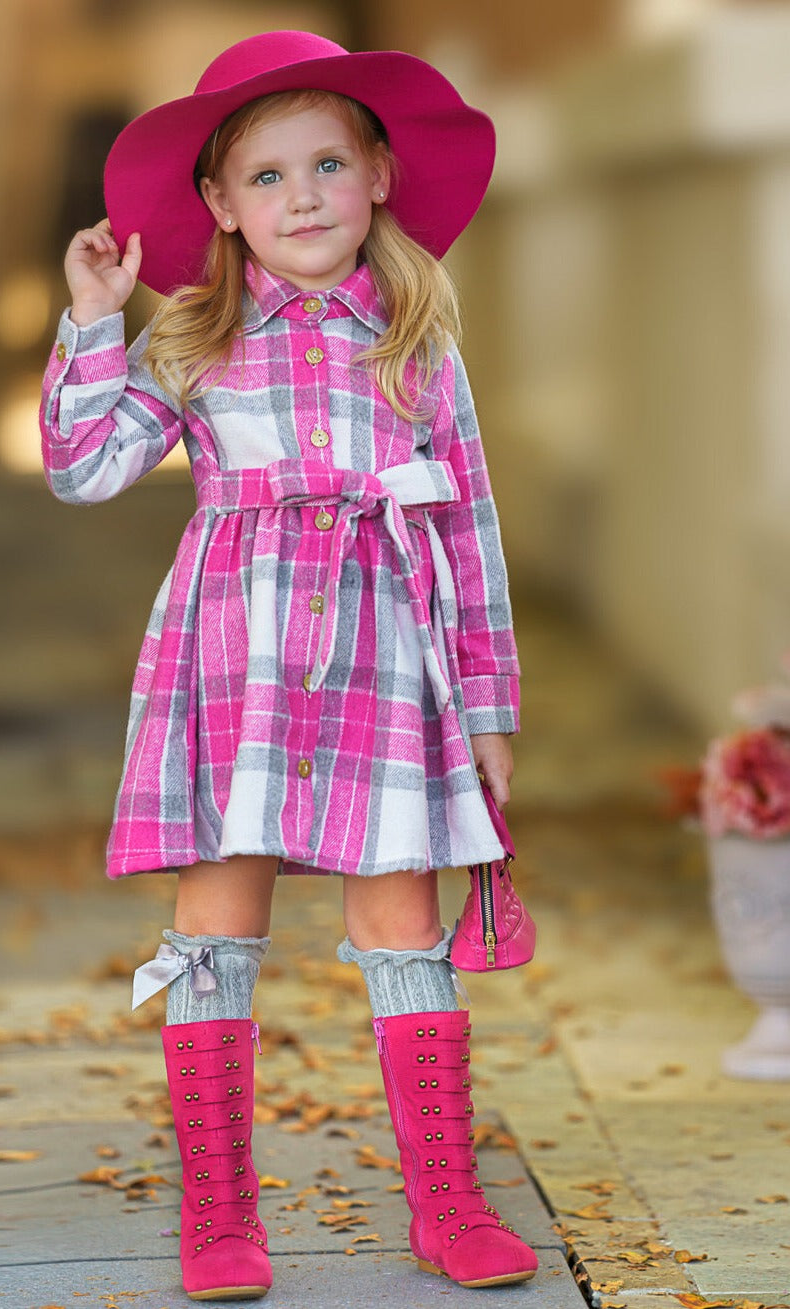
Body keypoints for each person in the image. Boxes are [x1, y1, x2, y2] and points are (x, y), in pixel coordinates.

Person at [41, 28, 537, 1301]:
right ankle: (219, 1214)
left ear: (378, 175)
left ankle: (447, 1201)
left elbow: (471, 527)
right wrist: (94, 321)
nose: (302, 196)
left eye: (326, 164)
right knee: (218, 918)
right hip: (235, 663)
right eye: (266, 176)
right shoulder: (192, 337)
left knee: (404, 919)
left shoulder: (418, 343)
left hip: (387, 653)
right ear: (219, 203)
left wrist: (489, 706)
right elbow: (84, 468)